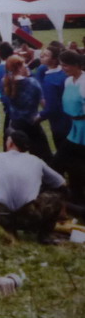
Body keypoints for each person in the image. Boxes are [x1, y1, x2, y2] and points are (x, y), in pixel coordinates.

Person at [0, 131, 66, 244]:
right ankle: (45, 235)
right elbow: (61, 183)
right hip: (30, 218)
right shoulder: (36, 161)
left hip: (1, 215)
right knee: (57, 197)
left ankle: (10, 230)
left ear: (10, 143)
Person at [4, 55, 52, 162]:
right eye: (24, 65)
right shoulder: (32, 82)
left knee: (18, 158)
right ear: (19, 67)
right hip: (32, 123)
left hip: (16, 124)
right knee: (44, 155)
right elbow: (44, 104)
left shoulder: (6, 82)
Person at [53, 50, 85, 205]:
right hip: (74, 128)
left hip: (83, 128)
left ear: (76, 65)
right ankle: (74, 194)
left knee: (73, 161)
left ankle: (77, 196)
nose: (63, 68)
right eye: (61, 65)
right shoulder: (68, 81)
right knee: (65, 161)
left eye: (66, 65)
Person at [35, 46, 71, 150]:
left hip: (59, 123)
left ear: (54, 60)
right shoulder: (64, 73)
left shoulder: (50, 80)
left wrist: (38, 117)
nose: (42, 56)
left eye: (46, 55)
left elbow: (51, 108)